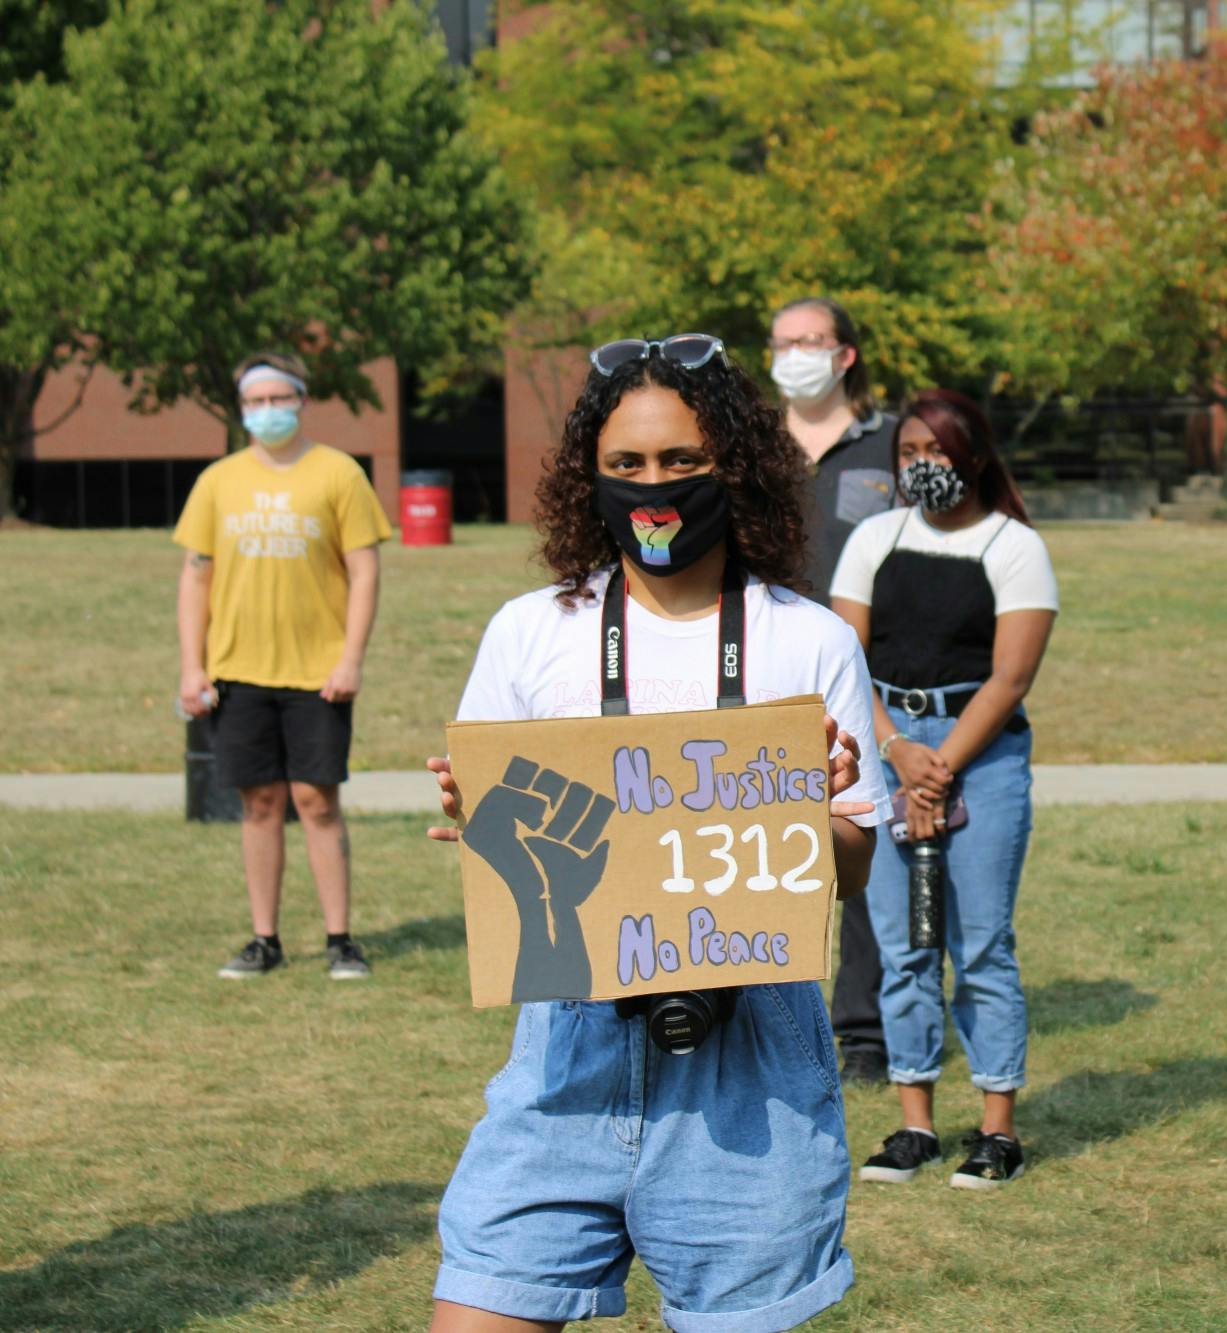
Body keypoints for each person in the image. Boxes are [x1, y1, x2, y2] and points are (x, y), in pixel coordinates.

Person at [422, 334, 890, 1332]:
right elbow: (501, 855)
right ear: (586, 478)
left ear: (737, 465)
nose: (653, 487)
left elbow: (849, 872)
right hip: (567, 1050)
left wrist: (813, 812)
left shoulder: (806, 637)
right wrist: (478, 817)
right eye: (625, 467)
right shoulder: (531, 629)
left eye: (681, 461)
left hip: (750, 1067)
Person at [829, 389, 1057, 1190]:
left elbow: (1010, 676)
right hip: (889, 749)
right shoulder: (872, 538)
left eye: (937, 450)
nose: (921, 465)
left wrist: (941, 765)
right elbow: (847, 657)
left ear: (975, 457)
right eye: (909, 452)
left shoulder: (1014, 545)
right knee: (904, 948)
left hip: (981, 755)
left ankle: (997, 1129)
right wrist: (895, 751)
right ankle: (915, 1122)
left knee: (983, 946)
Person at [172, 350, 391, 981]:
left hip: (318, 673)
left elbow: (365, 571)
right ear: (242, 409)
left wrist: (351, 658)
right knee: (260, 802)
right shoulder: (218, 481)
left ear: (300, 399)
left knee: (316, 801)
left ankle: (340, 940)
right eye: (255, 402)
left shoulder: (339, 474)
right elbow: (195, 579)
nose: (268, 412)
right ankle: (264, 939)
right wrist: (193, 666)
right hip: (237, 671)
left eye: (278, 399)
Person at [770, 296, 900, 1085]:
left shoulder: (888, 444)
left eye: (810, 342)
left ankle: (865, 1032)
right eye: (782, 344)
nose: (794, 356)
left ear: (844, 354)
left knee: (856, 841)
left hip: (866, 668)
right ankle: (768, 1020)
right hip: (765, 665)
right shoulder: (749, 448)